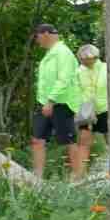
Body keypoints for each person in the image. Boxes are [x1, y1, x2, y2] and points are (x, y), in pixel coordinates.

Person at [30, 23, 85, 183]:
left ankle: (77, 178)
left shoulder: (63, 53)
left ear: (45, 34)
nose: (37, 41)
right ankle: (37, 178)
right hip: (44, 103)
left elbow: (64, 80)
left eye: (37, 37)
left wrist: (51, 101)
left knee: (68, 141)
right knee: (37, 139)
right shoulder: (50, 53)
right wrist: (45, 102)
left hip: (61, 103)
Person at [77, 43, 109, 160]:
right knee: (84, 141)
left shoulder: (106, 68)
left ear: (95, 57)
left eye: (88, 59)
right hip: (85, 109)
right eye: (82, 59)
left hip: (105, 108)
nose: (85, 62)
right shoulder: (78, 72)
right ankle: (81, 167)